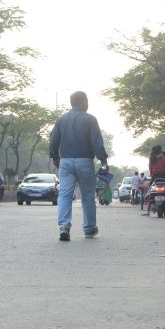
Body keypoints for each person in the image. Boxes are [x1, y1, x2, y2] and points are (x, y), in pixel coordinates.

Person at [49, 91, 108, 240]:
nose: (88, 104)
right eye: (87, 101)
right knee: (87, 197)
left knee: (65, 195)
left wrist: (55, 157)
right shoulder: (90, 119)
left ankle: (64, 226)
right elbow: (97, 143)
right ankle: (89, 228)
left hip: (66, 162)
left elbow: (53, 140)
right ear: (82, 102)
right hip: (85, 162)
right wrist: (103, 161)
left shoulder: (61, 119)